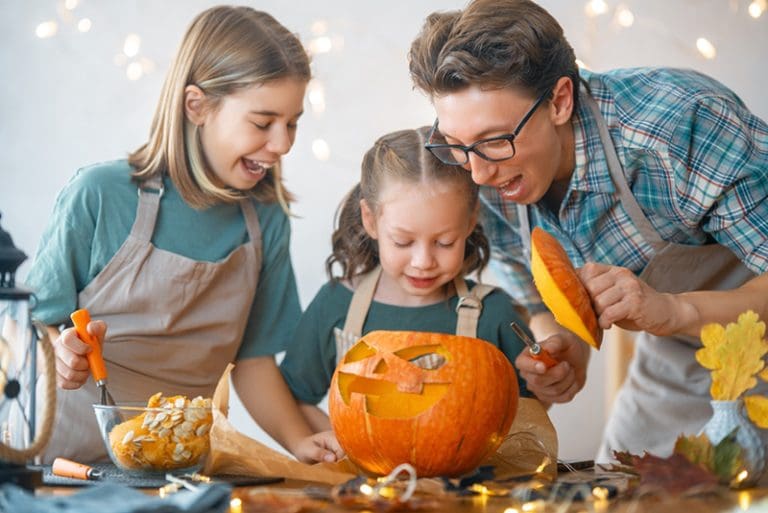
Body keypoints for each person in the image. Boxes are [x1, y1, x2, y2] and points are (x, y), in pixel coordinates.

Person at [408, 0, 768, 462]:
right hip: (682, 360)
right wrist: (564, 349)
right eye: (457, 145)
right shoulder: (482, 183)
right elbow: (541, 304)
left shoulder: (678, 126)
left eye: (496, 141)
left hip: (724, 329)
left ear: (560, 100)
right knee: (625, 492)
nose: (477, 173)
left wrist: (673, 310)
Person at [24, 5, 338, 464]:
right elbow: (35, 326)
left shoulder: (265, 219)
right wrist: (61, 349)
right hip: (63, 464)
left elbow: (252, 362)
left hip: (179, 470)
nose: (283, 143)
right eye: (263, 122)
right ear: (197, 106)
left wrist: (298, 442)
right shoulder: (99, 194)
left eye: (292, 122)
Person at [263, 127, 533, 453]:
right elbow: (294, 398)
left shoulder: (495, 314)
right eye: (403, 241)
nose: (423, 262)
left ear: (471, 220)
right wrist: (353, 443)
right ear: (370, 220)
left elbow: (528, 414)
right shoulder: (336, 304)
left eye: (444, 242)